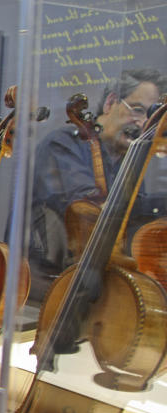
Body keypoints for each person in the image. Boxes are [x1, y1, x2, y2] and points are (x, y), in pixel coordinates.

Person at [28, 68, 167, 297]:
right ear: (111, 102)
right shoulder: (63, 144)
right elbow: (90, 211)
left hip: (93, 284)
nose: (142, 124)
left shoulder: (126, 159)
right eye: (138, 110)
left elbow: (128, 220)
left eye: (150, 117)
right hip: (50, 288)